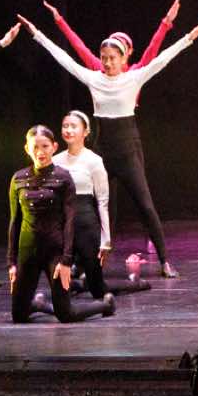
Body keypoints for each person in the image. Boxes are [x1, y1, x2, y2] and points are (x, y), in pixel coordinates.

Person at [19, 9, 198, 278]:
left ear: (123, 59)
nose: (108, 62)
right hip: (102, 151)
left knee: (145, 205)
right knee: (94, 206)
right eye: (104, 58)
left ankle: (164, 260)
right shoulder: (94, 78)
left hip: (128, 150)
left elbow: (164, 57)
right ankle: (88, 261)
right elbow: (64, 57)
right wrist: (36, 34)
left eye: (113, 58)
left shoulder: (134, 77)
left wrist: (190, 37)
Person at [7, 125, 115, 324]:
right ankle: (38, 305)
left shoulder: (63, 178)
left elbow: (69, 222)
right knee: (18, 316)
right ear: (27, 149)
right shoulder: (18, 179)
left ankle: (105, 305)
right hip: (27, 251)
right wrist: (12, 262)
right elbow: (15, 222)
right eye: (35, 147)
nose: (40, 152)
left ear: (54, 147)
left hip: (54, 252)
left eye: (45, 146)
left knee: (66, 314)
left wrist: (66, 261)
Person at [55, 111, 112, 301]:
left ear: (85, 132)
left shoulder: (94, 161)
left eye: (74, 126)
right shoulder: (55, 160)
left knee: (98, 288)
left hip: (85, 221)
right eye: (65, 126)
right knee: (60, 284)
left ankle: (135, 284)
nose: (68, 130)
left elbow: (102, 201)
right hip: (62, 222)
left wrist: (106, 239)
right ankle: (78, 284)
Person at [43, 0, 181, 73]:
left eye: (121, 45)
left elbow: (152, 49)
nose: (108, 61)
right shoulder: (100, 67)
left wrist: (166, 22)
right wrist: (60, 21)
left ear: (129, 52)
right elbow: (79, 46)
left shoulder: (135, 73)